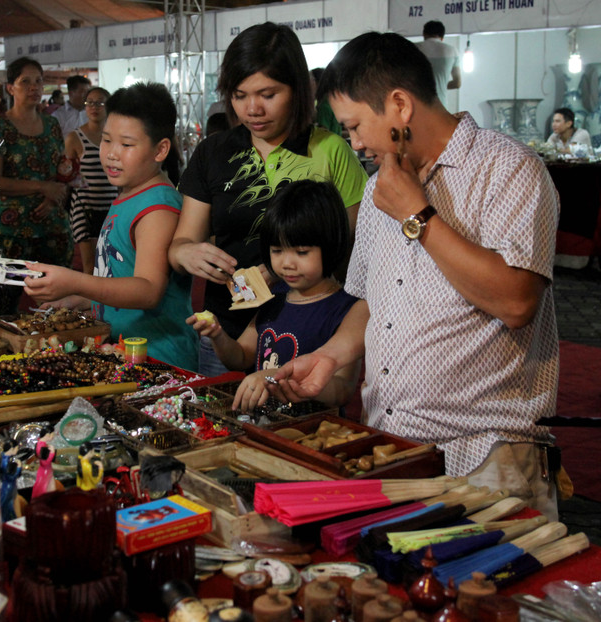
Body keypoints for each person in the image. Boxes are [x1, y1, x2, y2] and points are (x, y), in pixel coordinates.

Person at [269, 32, 560, 519]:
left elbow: (516, 302)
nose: (355, 143)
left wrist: (417, 214)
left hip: (487, 450)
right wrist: (329, 356)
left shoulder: (508, 169)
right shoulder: (380, 187)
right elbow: (370, 301)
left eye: (355, 126)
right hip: (393, 444)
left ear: (400, 105)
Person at [169, 22, 368, 376]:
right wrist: (186, 253)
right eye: (239, 95)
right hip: (224, 332)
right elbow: (181, 244)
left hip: (306, 332)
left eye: (268, 94)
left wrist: (285, 270)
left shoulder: (330, 151)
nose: (252, 110)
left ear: (298, 89)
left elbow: (353, 252)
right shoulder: (213, 152)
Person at [23, 83, 199, 372]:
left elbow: (148, 290)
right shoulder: (131, 193)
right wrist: (81, 299)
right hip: (127, 352)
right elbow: (121, 275)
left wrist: (75, 282)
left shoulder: (158, 206)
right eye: (106, 140)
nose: (112, 154)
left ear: (160, 150)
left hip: (160, 359)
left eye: (126, 145)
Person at [188, 180, 360, 410]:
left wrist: (277, 378)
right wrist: (218, 335)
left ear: (330, 245)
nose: (287, 263)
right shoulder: (275, 297)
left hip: (313, 428)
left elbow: (342, 390)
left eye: (301, 252)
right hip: (264, 423)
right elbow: (241, 357)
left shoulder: (348, 311)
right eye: (277, 251)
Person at [0, 57, 72, 281]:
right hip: (13, 230)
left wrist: (53, 196)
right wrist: (42, 187)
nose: (34, 87)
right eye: (25, 81)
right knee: (9, 293)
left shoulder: (52, 125)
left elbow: (62, 172)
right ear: (10, 88)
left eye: (38, 81)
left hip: (53, 225)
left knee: (57, 293)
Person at [64, 86, 118, 275]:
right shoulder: (74, 138)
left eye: (100, 103)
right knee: (90, 266)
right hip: (84, 207)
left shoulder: (116, 137)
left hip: (112, 206)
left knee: (110, 263)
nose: (94, 107)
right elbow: (66, 174)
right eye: (90, 103)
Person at [415, 21, 461, 112]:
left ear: (424, 34)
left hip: (417, 106)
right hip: (440, 106)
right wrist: (441, 85)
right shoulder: (452, 51)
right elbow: (457, 83)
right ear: (442, 37)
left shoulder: (414, 48)